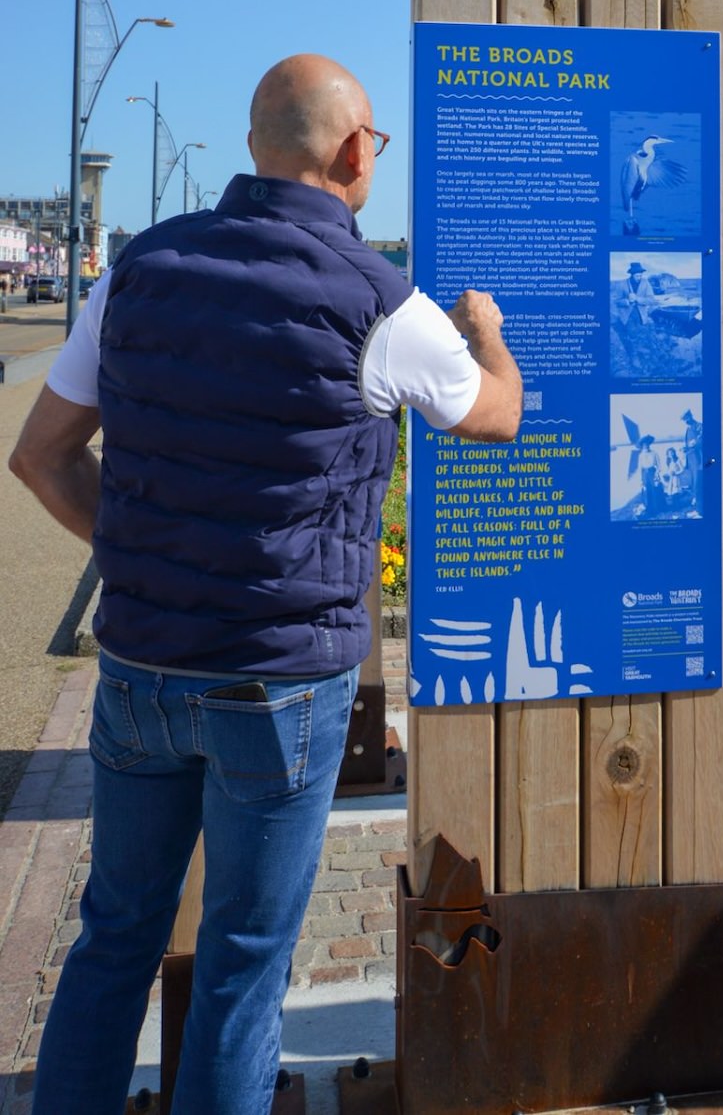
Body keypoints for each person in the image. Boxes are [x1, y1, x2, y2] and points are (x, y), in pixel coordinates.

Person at [8, 54, 523, 1115]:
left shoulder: (137, 269)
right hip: (279, 687)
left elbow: (41, 456)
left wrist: (149, 551)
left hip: (141, 670)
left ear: (254, 148)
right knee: (244, 965)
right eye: (373, 143)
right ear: (350, 154)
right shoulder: (382, 298)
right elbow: (495, 413)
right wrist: (492, 334)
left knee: (114, 934)